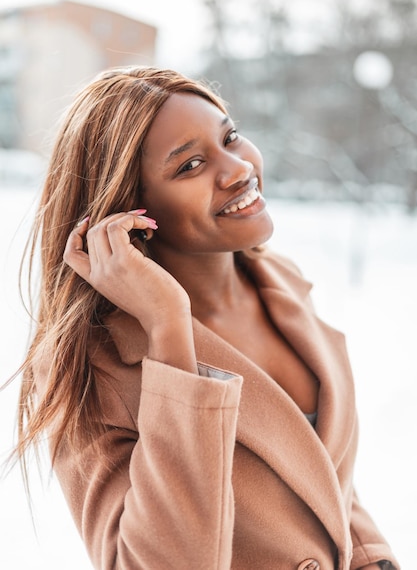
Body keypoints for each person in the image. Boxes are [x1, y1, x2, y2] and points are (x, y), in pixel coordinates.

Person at [14, 66, 399, 570]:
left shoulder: (280, 282)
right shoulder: (92, 367)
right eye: (191, 165)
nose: (238, 168)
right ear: (129, 211)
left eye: (230, 137)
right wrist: (168, 332)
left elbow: (323, 486)